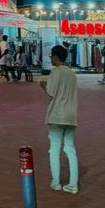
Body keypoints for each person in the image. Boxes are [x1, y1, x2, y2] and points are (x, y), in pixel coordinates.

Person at [39, 45, 79, 194]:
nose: (50, 58)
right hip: (71, 116)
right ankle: (72, 184)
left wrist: (43, 85)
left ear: (56, 57)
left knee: (54, 149)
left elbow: (51, 93)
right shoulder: (72, 73)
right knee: (70, 149)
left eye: (51, 56)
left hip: (57, 115)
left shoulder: (55, 72)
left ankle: (56, 182)